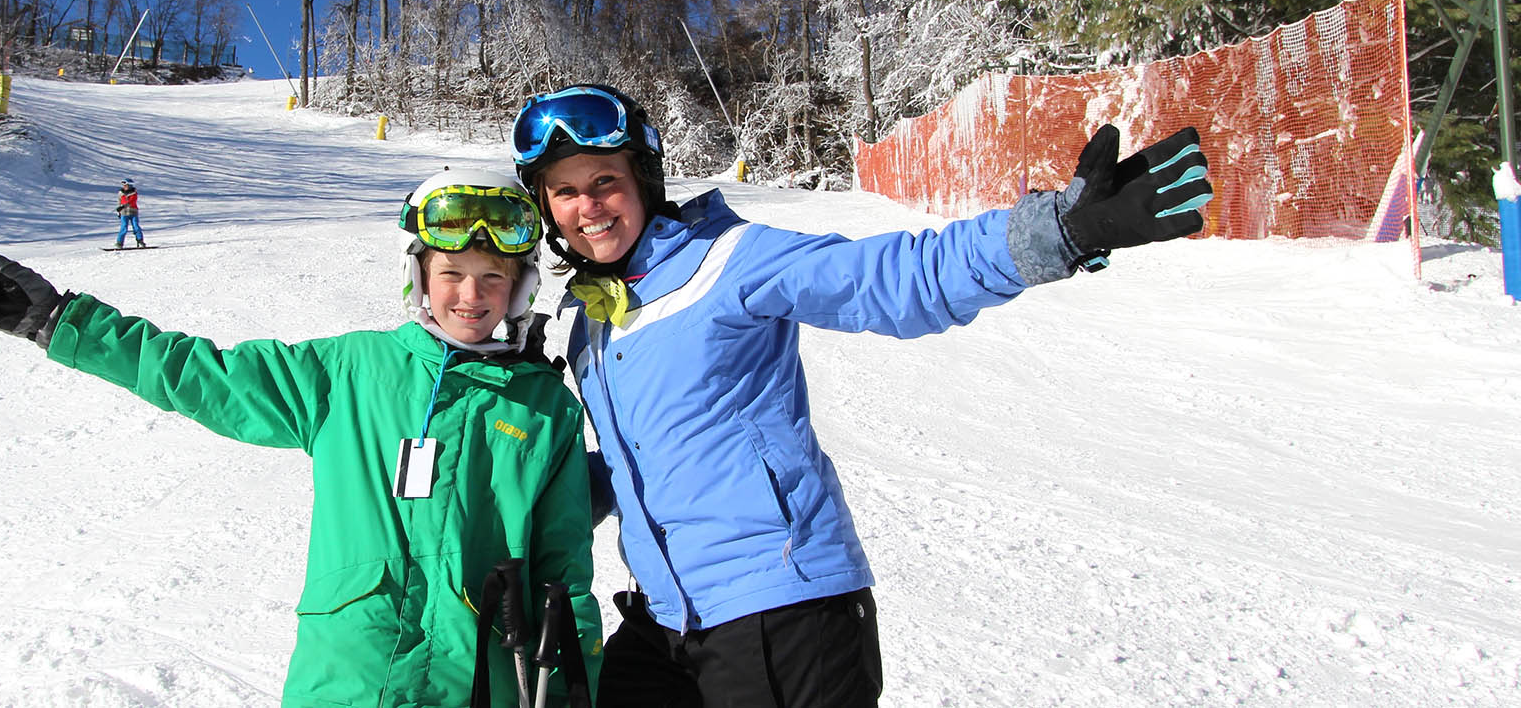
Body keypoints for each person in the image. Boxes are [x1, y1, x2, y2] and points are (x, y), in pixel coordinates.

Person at [509, 84, 1214, 706]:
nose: (588, 207)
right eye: (566, 192)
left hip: (782, 611)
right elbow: (633, 469)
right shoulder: (592, 321)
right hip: (665, 624)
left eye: (605, 180)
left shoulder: (730, 259)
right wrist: (513, 459)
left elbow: (890, 278)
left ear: (645, 178)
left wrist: (1056, 231)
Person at [0, 169, 602, 707]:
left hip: (478, 687)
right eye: (451, 273)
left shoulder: (546, 411)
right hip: (346, 684)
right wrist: (59, 321)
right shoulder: (349, 371)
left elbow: (566, 576)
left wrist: (579, 685)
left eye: (492, 279)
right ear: (420, 275)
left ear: (518, 287)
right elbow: (205, 375)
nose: (470, 296)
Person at [115, 178, 147, 248]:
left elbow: (131, 202)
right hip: (124, 213)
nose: (124, 187)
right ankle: (119, 243)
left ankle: (140, 240)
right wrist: (119, 211)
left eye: (126, 185)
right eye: (124, 185)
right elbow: (119, 202)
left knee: (136, 227)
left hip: (133, 212)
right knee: (124, 227)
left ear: (129, 186)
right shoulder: (121, 193)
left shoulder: (134, 193)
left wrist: (122, 206)